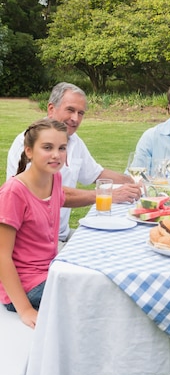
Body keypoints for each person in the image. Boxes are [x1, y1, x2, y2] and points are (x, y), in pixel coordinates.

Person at [7, 82, 140, 243]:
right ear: (51, 109)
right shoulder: (29, 142)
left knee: (116, 241)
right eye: (70, 110)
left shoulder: (74, 141)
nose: (75, 118)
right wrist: (105, 195)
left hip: (61, 234)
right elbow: (45, 192)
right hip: (35, 242)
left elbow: (96, 173)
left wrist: (136, 182)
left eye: (81, 113)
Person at [0, 119, 68, 328]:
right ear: (29, 151)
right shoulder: (14, 192)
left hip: (50, 271)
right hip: (23, 287)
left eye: (62, 148)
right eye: (47, 147)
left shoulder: (54, 179)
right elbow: (1, 255)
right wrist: (25, 309)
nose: (56, 154)